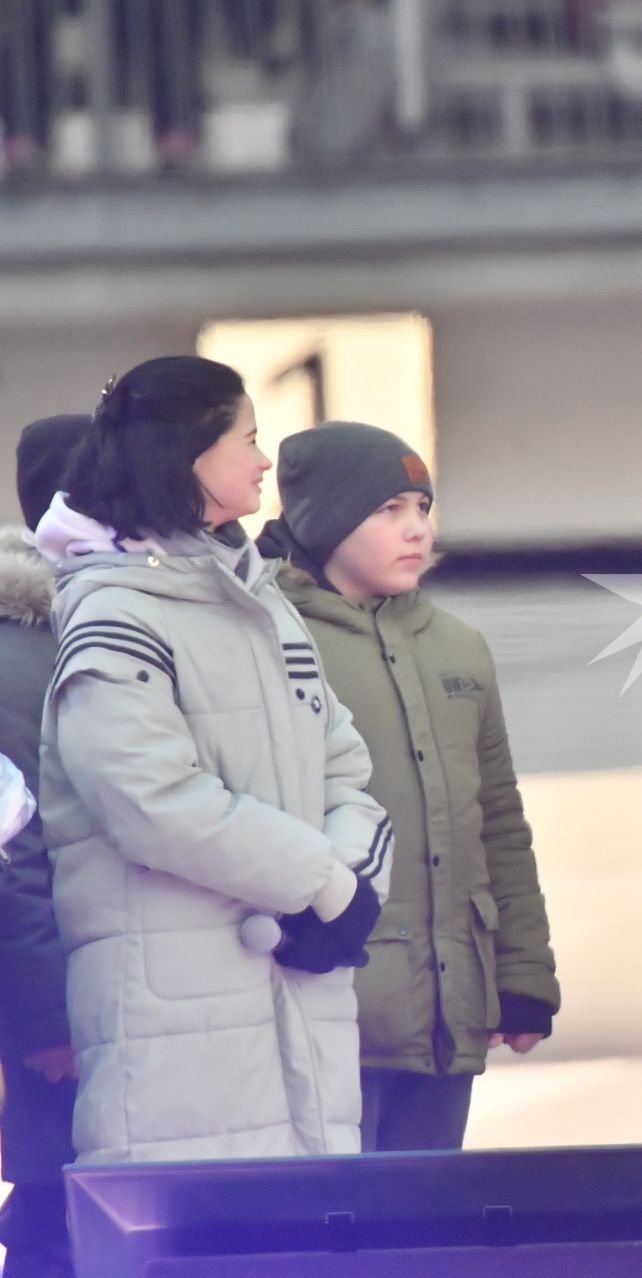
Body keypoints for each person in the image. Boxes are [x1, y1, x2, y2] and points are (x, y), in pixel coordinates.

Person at [34, 355, 389, 1163]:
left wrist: (352, 883)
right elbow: (151, 799)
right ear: (186, 454)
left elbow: (346, 765)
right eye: (249, 439)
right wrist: (325, 883)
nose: (266, 461)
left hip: (301, 1023)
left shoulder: (260, 603)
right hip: (177, 1053)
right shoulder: (116, 613)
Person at [256, 421, 560, 1152]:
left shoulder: (461, 646)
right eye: (389, 509)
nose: (416, 529)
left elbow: (500, 821)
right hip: (318, 1002)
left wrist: (524, 972)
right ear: (326, 520)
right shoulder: (265, 640)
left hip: (448, 1010)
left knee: (425, 1232)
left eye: (422, 508)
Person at [0, 415, 87, 1276]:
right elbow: (9, 856)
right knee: (61, 1213)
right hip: (68, 1013)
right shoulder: (20, 654)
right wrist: (45, 1021)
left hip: (140, 1003)